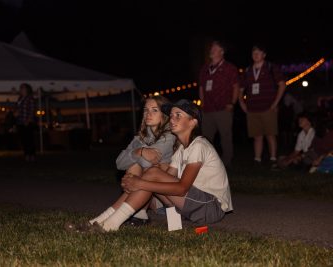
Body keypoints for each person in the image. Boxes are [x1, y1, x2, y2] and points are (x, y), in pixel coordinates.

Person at [82, 99, 233, 232]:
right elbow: (167, 179)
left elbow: (181, 188)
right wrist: (137, 181)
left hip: (212, 207)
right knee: (153, 174)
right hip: (194, 208)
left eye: (178, 115)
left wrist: (140, 182)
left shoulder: (199, 145)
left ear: (193, 122)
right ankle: (98, 221)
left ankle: (110, 225)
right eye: (172, 115)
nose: (172, 119)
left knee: (151, 175)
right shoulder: (181, 150)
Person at [71, 95, 176, 230]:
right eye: (146, 110)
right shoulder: (140, 138)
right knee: (134, 165)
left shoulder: (170, 137)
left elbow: (147, 165)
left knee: (144, 168)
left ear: (164, 114)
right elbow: (119, 163)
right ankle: (111, 220)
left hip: (169, 202)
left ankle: (107, 223)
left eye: (154, 110)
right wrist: (139, 152)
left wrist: (136, 154)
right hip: (147, 195)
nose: (148, 114)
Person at [239, 44, 286, 164]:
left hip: (268, 107)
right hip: (252, 109)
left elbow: (282, 84)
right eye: (254, 52)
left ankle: (273, 159)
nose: (255, 55)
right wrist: (242, 103)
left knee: (270, 134)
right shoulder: (248, 70)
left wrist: (275, 104)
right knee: (257, 136)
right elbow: (241, 89)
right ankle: (257, 159)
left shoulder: (271, 67)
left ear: (264, 55)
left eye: (259, 52)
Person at [199, 40, 240, 168]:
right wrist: (202, 104)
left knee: (225, 136)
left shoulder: (230, 68)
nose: (212, 50)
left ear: (221, 52)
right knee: (206, 138)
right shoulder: (205, 68)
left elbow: (236, 86)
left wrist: (232, 103)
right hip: (208, 109)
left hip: (224, 108)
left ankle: (227, 162)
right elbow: (201, 88)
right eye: (212, 48)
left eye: (215, 48)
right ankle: (207, 163)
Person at [16, 83, 37, 162]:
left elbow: (32, 110)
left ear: (27, 90)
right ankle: (26, 154)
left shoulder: (30, 98)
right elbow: (19, 109)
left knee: (30, 139)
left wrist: (28, 120)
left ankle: (32, 155)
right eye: (20, 88)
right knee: (23, 140)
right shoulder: (20, 99)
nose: (21, 89)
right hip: (20, 122)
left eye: (22, 88)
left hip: (28, 122)